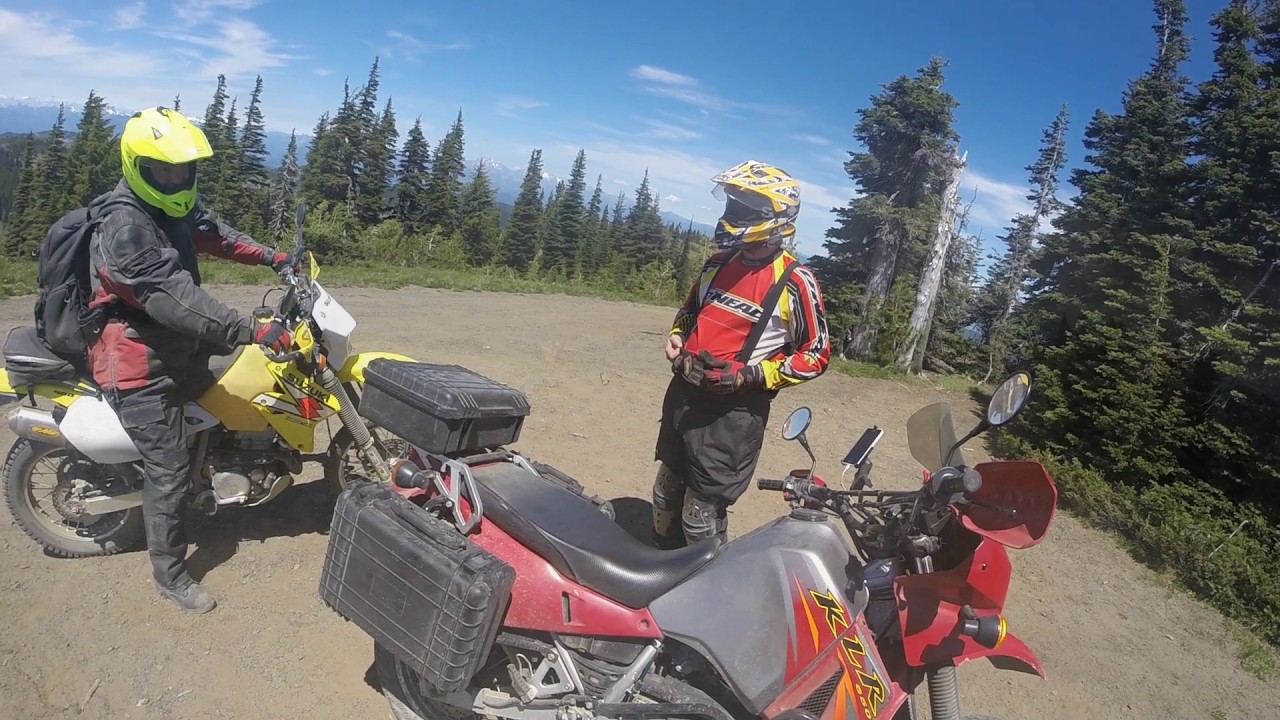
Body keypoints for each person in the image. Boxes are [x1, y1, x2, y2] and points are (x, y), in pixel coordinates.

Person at [83, 106, 294, 613]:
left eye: (184, 169)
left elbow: (216, 235)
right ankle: (171, 574)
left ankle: (219, 470)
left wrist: (274, 257)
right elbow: (171, 295)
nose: (178, 178)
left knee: (231, 394)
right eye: (166, 169)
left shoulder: (170, 207)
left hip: (174, 345)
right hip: (135, 360)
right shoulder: (125, 225)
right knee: (168, 467)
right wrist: (251, 329)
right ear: (139, 165)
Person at [652, 160, 831, 548]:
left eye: (742, 210)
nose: (731, 216)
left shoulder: (795, 280)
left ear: (773, 217)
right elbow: (690, 312)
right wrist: (677, 336)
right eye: (731, 206)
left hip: (732, 415)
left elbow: (816, 353)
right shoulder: (717, 263)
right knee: (667, 489)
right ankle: (654, 571)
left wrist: (751, 375)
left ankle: (705, 585)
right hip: (684, 394)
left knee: (701, 511)